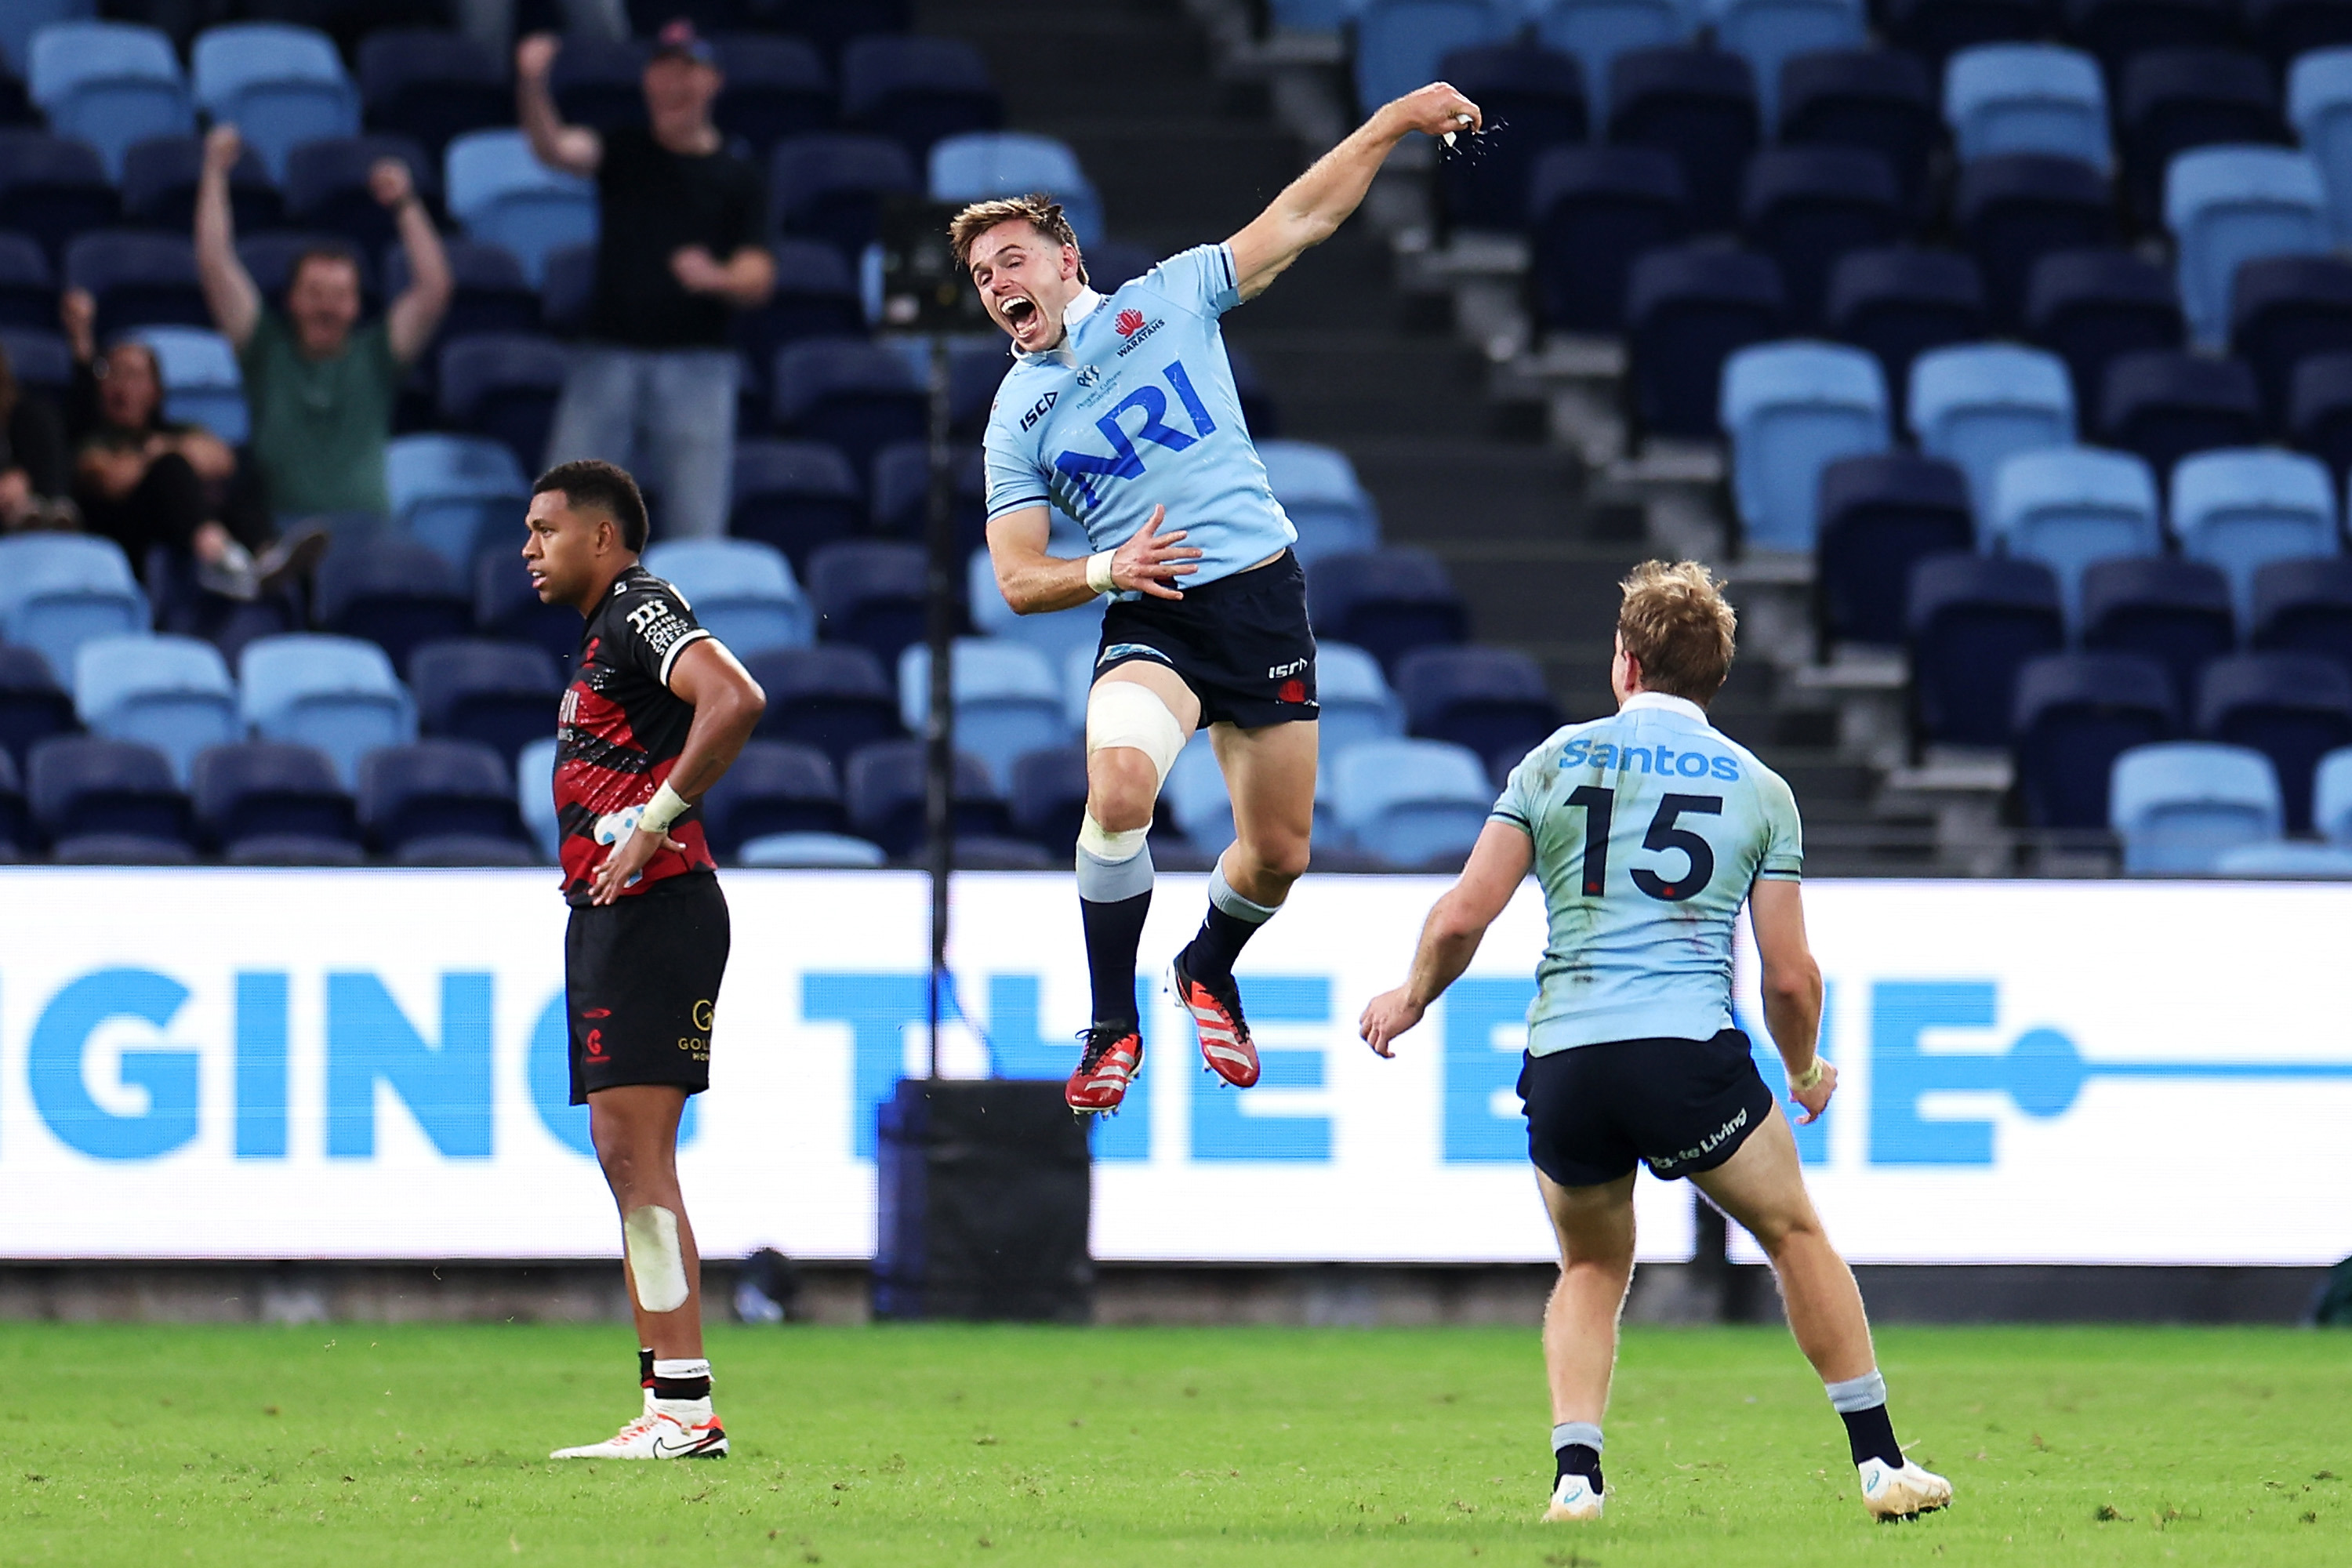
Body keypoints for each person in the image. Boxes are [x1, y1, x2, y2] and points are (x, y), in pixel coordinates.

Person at [1357, 562, 1953, 1526]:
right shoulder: (1762, 790)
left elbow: (1466, 912)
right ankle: (1880, 1463)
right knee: (1794, 1232)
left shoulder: (1552, 760)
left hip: (1569, 1059)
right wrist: (1802, 1066)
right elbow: (1791, 975)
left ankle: (1576, 1479)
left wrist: (1412, 993)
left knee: (1592, 1266)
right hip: (1685, 1054)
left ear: (1624, 664)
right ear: (1714, 679)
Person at [956, 80, 1486, 1116]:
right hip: (1153, 619)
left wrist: (1387, 123)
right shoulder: (1015, 418)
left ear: (1069, 260)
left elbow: (1302, 217)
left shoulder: (1172, 296)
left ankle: (1206, 966)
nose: (995, 285)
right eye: (980, 276)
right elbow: (1018, 577)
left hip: (1262, 607)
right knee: (1117, 793)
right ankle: (1113, 1023)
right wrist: (1112, 571)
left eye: (1012, 260)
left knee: (1281, 854)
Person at [525, 458, 766, 1461]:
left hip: (657, 905)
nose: (529, 548)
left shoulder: (638, 604)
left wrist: (652, 822)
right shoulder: (604, 632)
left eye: (545, 529)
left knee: (638, 1159)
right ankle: (670, 1400)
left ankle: (681, 1408)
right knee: (629, 1161)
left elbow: (736, 697)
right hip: (621, 910)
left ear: (604, 538)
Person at [518, 20, 774, 543]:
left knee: (696, 528)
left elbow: (759, 275)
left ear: (712, 82)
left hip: (698, 366)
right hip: (608, 356)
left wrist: (717, 276)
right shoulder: (625, 149)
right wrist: (532, 84)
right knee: (563, 512)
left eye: (688, 70)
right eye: (663, 70)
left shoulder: (739, 174)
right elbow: (557, 149)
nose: (674, 83)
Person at [194, 123, 452, 523]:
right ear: (291, 300)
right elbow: (215, 264)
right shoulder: (265, 348)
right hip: (280, 529)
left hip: (367, 532)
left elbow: (434, 289)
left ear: (356, 306)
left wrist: (406, 204)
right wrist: (214, 171)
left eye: (339, 297)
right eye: (314, 294)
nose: (326, 309)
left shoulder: (377, 355)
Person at [59, 306, 322, 601]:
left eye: (133, 376)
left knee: (238, 478)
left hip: (183, 522)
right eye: (112, 374)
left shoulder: (178, 429)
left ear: (156, 390)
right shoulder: (94, 436)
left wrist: (163, 450)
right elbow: (110, 479)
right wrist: (159, 457)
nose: (121, 386)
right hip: (129, 533)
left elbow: (222, 459)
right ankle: (219, 559)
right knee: (171, 467)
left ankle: (266, 555)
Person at [0, 339, 72, 532]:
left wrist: (23, 482)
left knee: (39, 416)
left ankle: (45, 518)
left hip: (25, 514)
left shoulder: (26, 417)